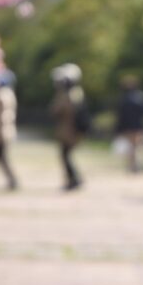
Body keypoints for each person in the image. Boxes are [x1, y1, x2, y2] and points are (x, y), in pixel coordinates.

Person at [50, 63, 86, 191]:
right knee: (66, 155)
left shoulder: (70, 94)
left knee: (66, 155)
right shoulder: (74, 93)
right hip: (68, 129)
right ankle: (73, 179)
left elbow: (58, 110)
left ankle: (74, 180)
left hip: (69, 130)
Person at [114, 75, 143, 173]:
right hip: (140, 126)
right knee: (139, 147)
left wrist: (119, 129)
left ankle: (133, 166)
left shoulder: (124, 99)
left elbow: (120, 116)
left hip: (129, 127)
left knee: (131, 148)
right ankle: (138, 165)